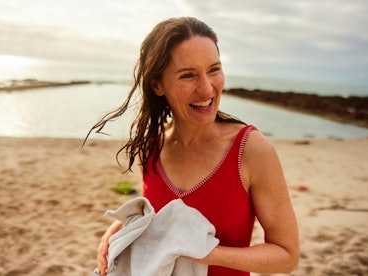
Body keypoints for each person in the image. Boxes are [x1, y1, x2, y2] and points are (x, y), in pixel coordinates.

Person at [88, 16, 299, 275]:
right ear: (157, 85)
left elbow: (287, 256)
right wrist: (118, 230)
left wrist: (204, 252)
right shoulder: (152, 146)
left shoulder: (252, 150)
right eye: (188, 75)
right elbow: (157, 224)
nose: (207, 88)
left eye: (214, 69)